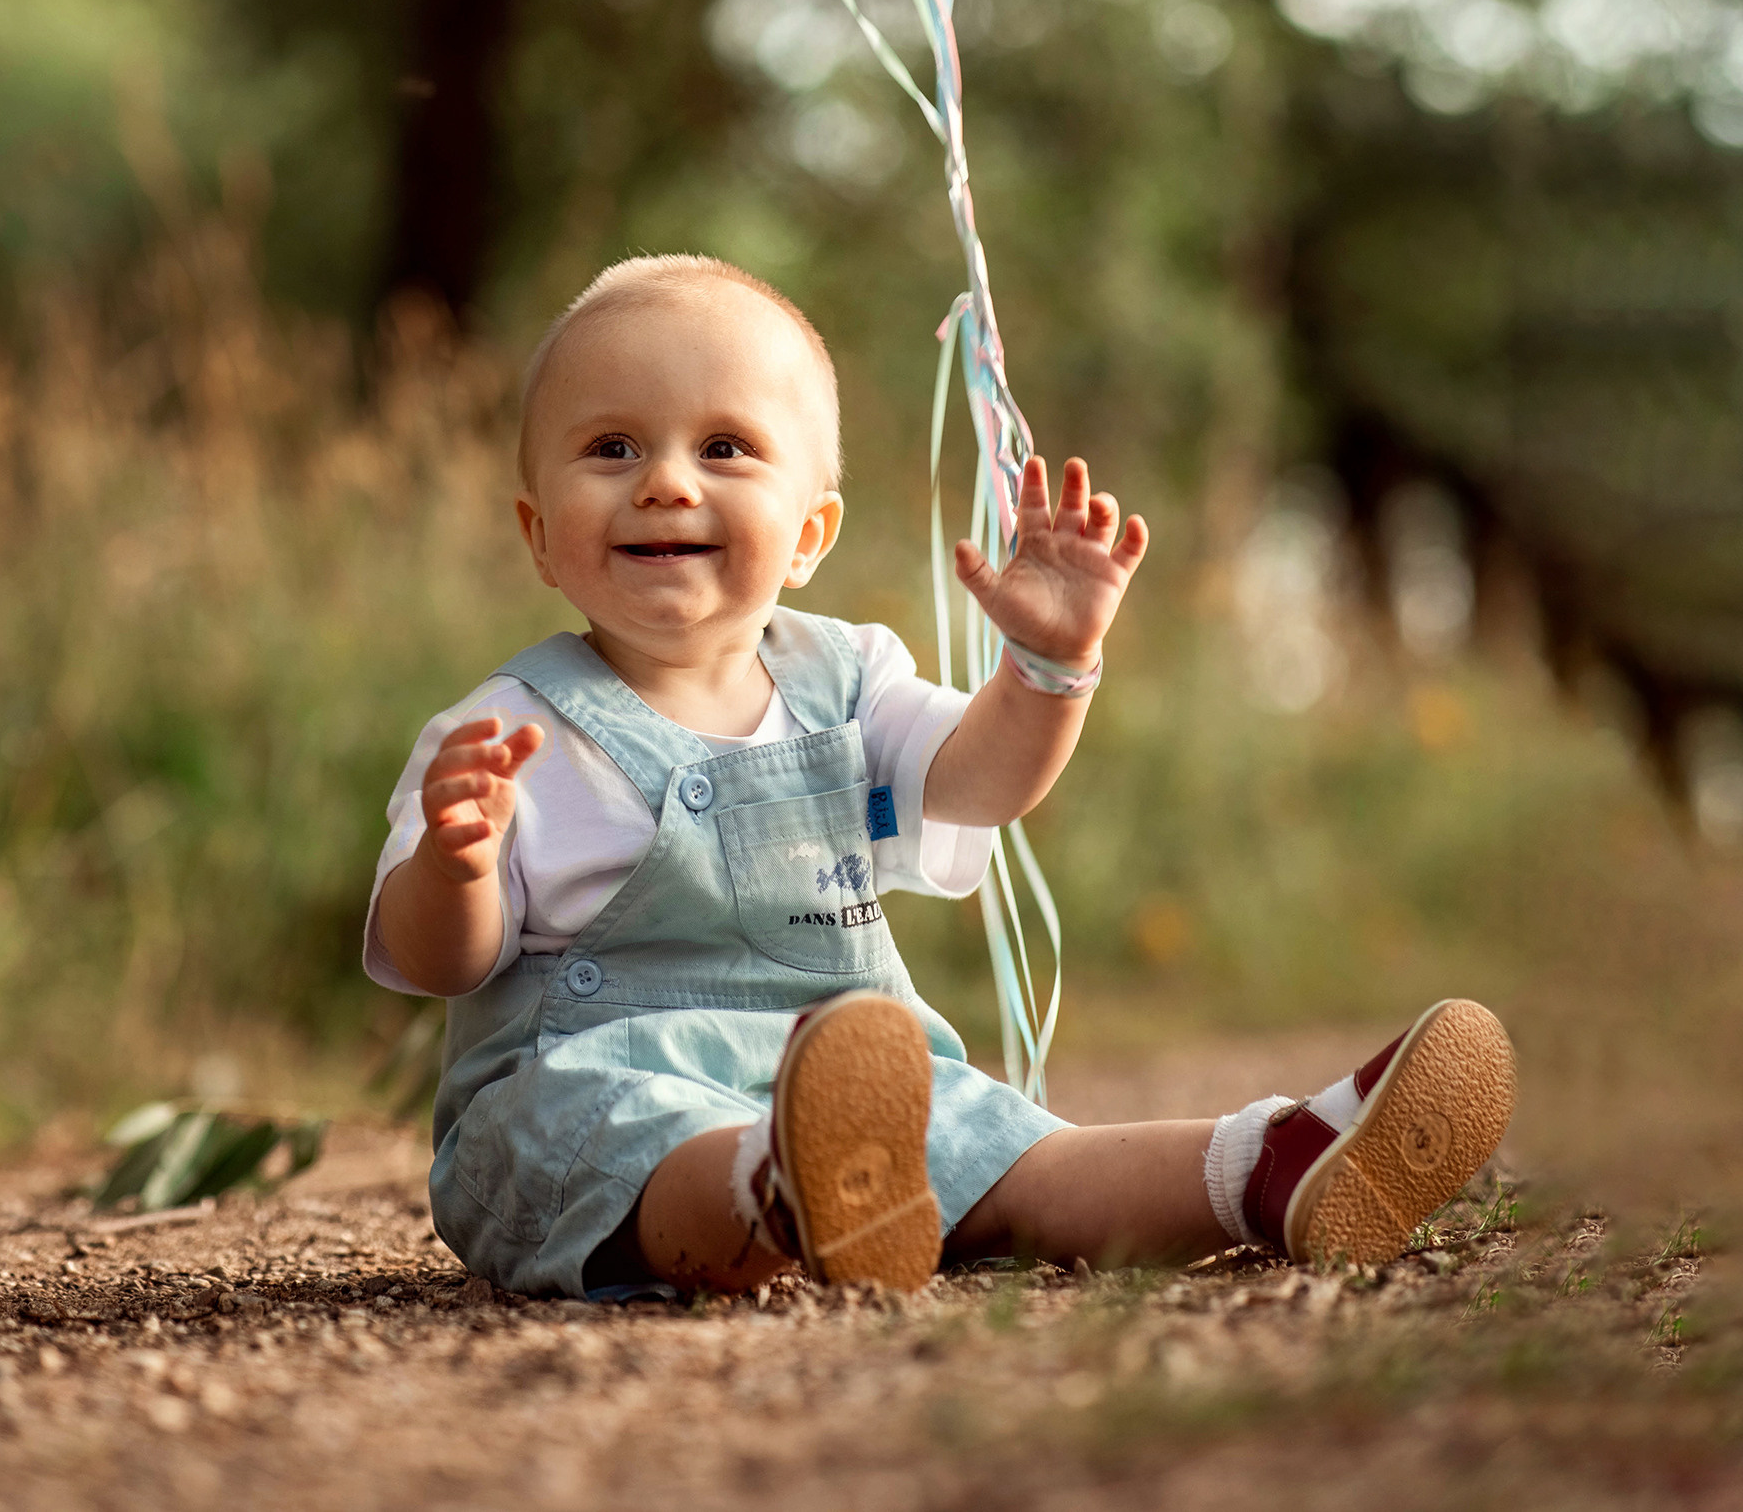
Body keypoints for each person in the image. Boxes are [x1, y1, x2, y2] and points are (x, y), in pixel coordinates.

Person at [366, 254, 1515, 1297]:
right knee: (646, 1136)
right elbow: (436, 963)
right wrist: (456, 862)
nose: (665, 482)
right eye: (612, 448)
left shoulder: (848, 678)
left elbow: (978, 783)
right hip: (588, 1096)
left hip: (860, 1077)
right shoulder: (504, 735)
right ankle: (783, 1186)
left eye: (723, 448)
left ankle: (1269, 1166)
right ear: (535, 530)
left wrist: (1048, 667)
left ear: (811, 531)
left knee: (1018, 1155)